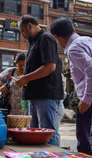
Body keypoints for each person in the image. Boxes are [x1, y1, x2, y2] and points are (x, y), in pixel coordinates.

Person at [50, 17, 92, 156]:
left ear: (57, 37)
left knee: (85, 140)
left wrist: (87, 99)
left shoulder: (74, 48)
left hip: (91, 98)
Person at [14, 15, 64, 146]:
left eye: (22, 31)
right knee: (34, 133)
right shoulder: (33, 42)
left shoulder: (45, 38)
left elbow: (50, 66)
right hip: (35, 95)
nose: (22, 35)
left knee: (46, 133)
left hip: (46, 95)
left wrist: (26, 78)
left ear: (30, 26)